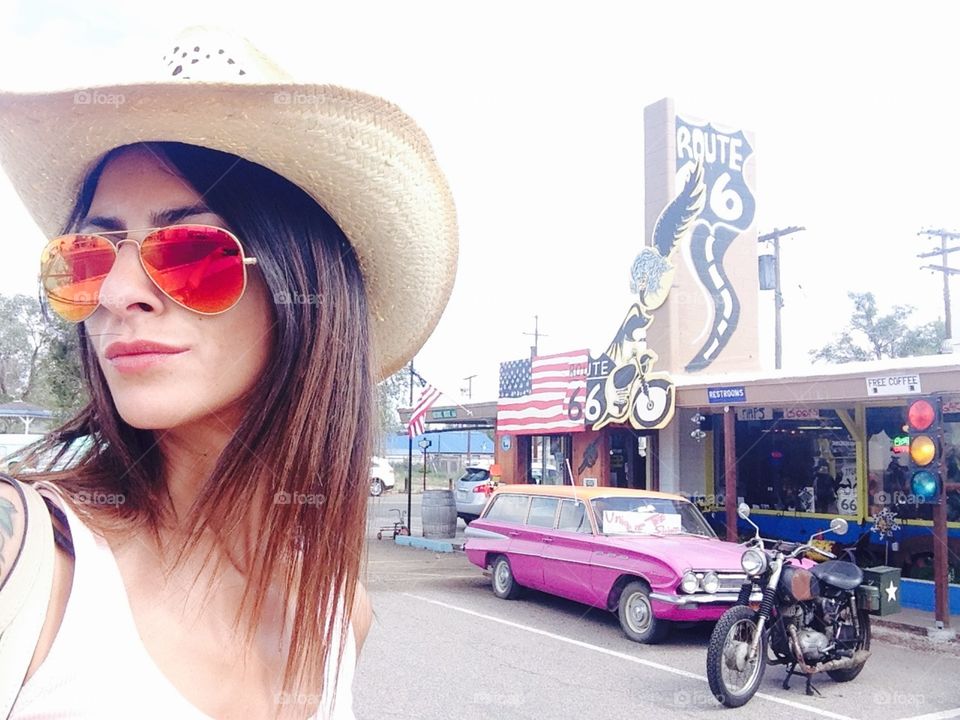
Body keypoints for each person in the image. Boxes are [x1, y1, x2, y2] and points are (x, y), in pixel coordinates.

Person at [0, 26, 457, 719]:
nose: (119, 293)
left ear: (303, 287)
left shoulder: (338, 619)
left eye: (189, 250)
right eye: (90, 256)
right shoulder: (29, 565)